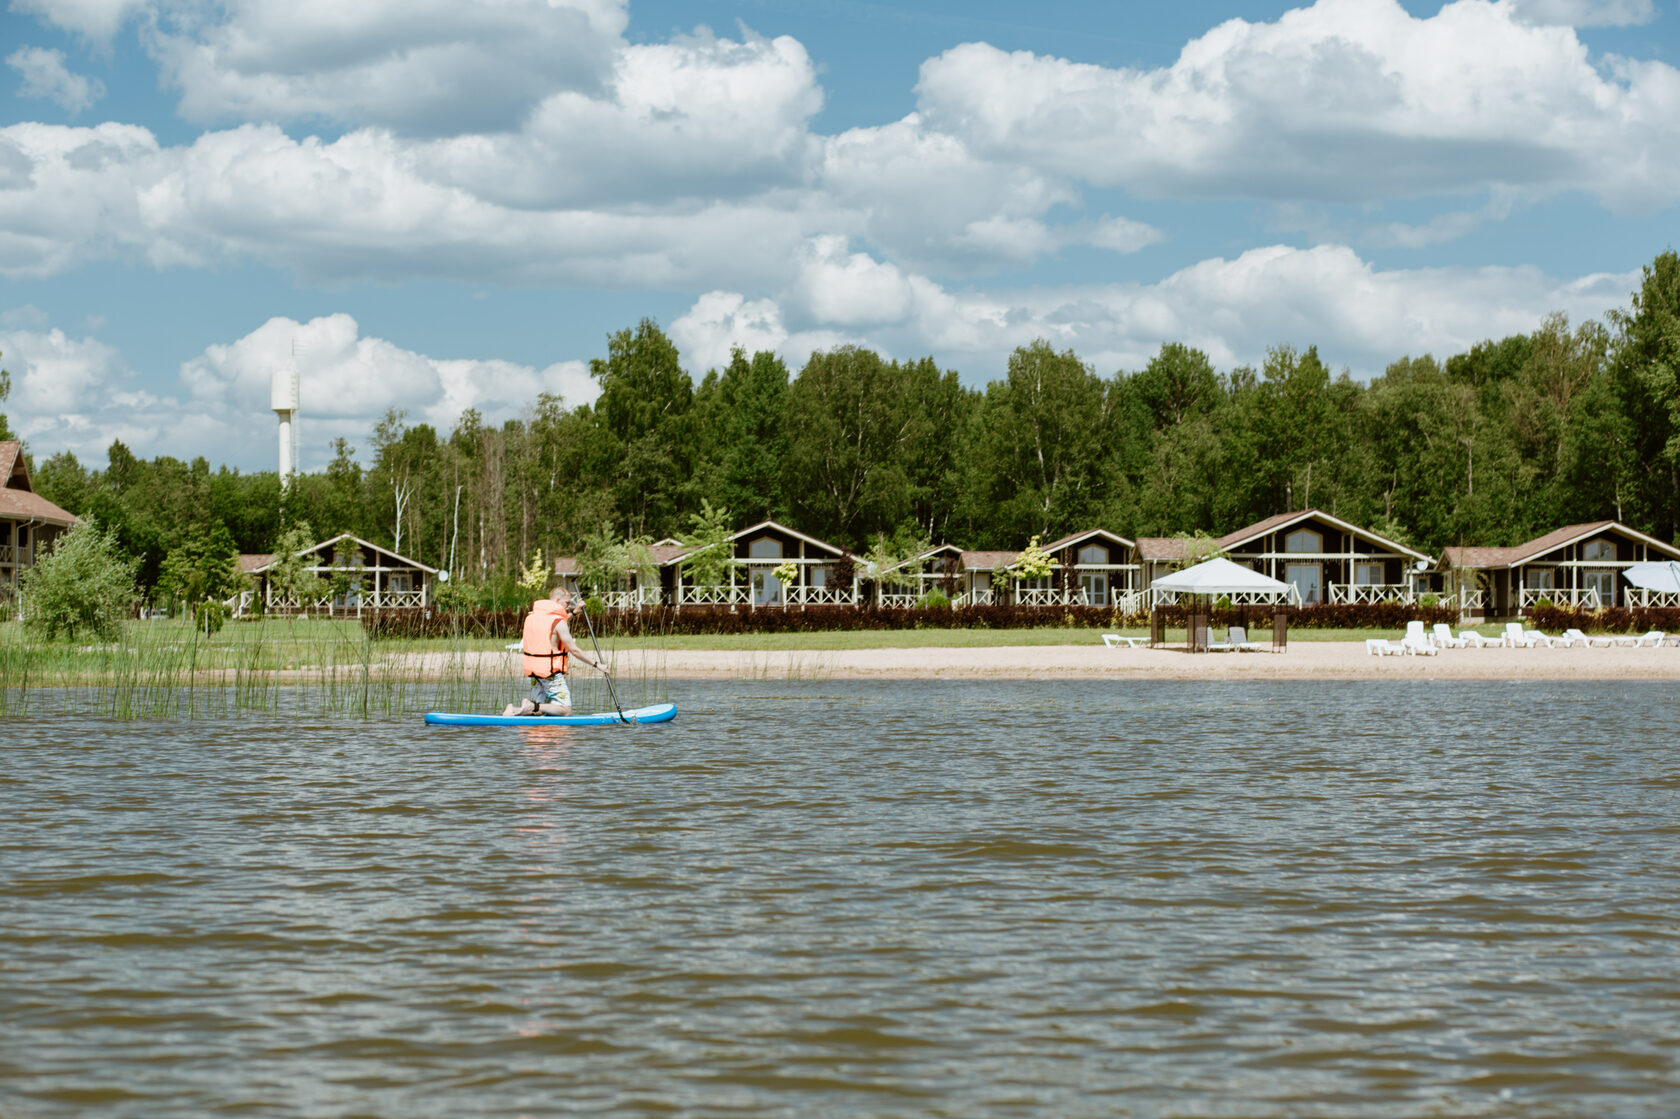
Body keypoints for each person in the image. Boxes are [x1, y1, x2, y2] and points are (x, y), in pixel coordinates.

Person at [502, 585, 609, 717]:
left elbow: (554, 627)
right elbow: (574, 650)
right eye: (567, 603)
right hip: (550, 672)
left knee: (545, 709)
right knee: (565, 710)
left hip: (535, 671)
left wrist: (574, 612)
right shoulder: (558, 621)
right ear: (558, 601)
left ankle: (513, 710)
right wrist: (598, 665)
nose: (569, 606)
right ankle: (530, 705)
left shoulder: (534, 617)